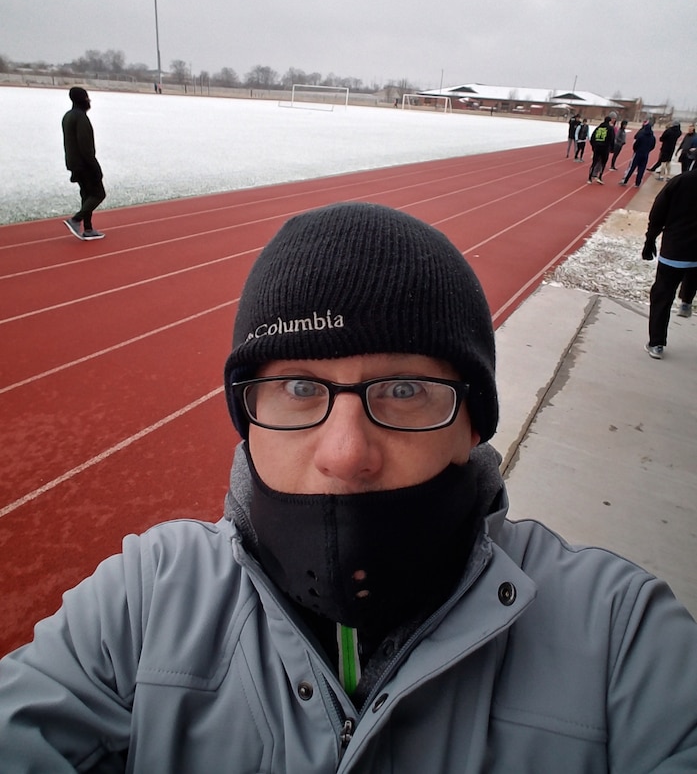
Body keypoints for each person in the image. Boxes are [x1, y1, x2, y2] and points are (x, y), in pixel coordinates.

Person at [1, 202, 696, 772]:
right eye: (299, 389)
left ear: (472, 425)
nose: (344, 453)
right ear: (247, 418)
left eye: (404, 390)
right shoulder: (146, 601)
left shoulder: (619, 638)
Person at [642, 169, 697, 358]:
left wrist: (650, 239)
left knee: (662, 295)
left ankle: (656, 343)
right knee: (692, 272)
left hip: (675, 249)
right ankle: (686, 301)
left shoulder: (680, 182)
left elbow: (658, 211)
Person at [61, 86, 106, 241]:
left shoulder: (68, 116)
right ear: (83, 99)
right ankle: (76, 220)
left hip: (74, 162)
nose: (89, 100)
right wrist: (95, 167)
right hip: (84, 163)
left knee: (87, 195)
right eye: (87, 97)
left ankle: (88, 228)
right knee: (98, 194)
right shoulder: (80, 118)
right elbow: (85, 146)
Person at [620, 118, 656, 187]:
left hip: (638, 153)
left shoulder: (641, 136)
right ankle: (638, 183)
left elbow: (636, 144)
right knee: (641, 169)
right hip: (645, 154)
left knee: (632, 167)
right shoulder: (652, 138)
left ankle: (625, 180)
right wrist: (648, 150)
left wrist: (636, 150)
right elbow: (653, 146)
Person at [587, 112, 616, 184]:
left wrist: (594, 146)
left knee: (594, 163)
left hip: (597, 148)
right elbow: (612, 139)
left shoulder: (598, 128)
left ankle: (589, 178)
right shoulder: (610, 128)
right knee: (603, 163)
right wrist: (612, 148)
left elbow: (592, 138)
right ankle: (600, 176)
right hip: (605, 148)